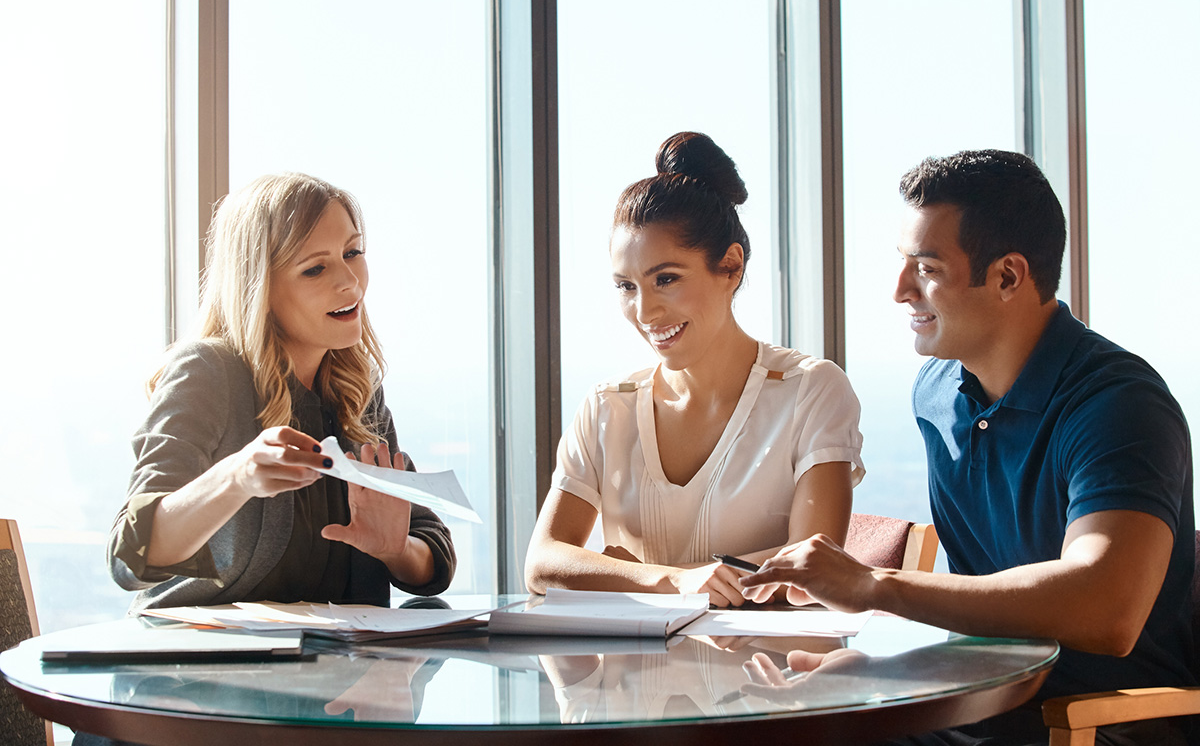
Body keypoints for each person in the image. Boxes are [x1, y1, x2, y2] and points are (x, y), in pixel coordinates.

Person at [741, 149, 1196, 745]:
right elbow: (984, 608)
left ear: (1008, 276)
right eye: (903, 263)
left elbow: (1106, 610)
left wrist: (873, 587)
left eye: (926, 267)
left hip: (1102, 723)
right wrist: (880, 673)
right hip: (982, 703)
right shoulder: (937, 392)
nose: (900, 290)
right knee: (783, 724)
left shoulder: (1119, 404)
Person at [524, 132, 864, 608]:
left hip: (769, 676)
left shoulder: (811, 391)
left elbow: (810, 575)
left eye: (666, 279)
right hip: (631, 676)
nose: (644, 312)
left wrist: (620, 572)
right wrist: (674, 582)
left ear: (730, 267)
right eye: (626, 286)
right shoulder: (607, 407)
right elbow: (542, 562)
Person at [107, 172, 456, 612]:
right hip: (205, 670)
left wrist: (394, 549)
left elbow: (434, 553)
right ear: (260, 288)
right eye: (315, 268)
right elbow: (130, 556)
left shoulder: (355, 387)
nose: (350, 281)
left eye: (353, 252)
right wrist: (237, 478)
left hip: (341, 670)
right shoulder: (209, 371)